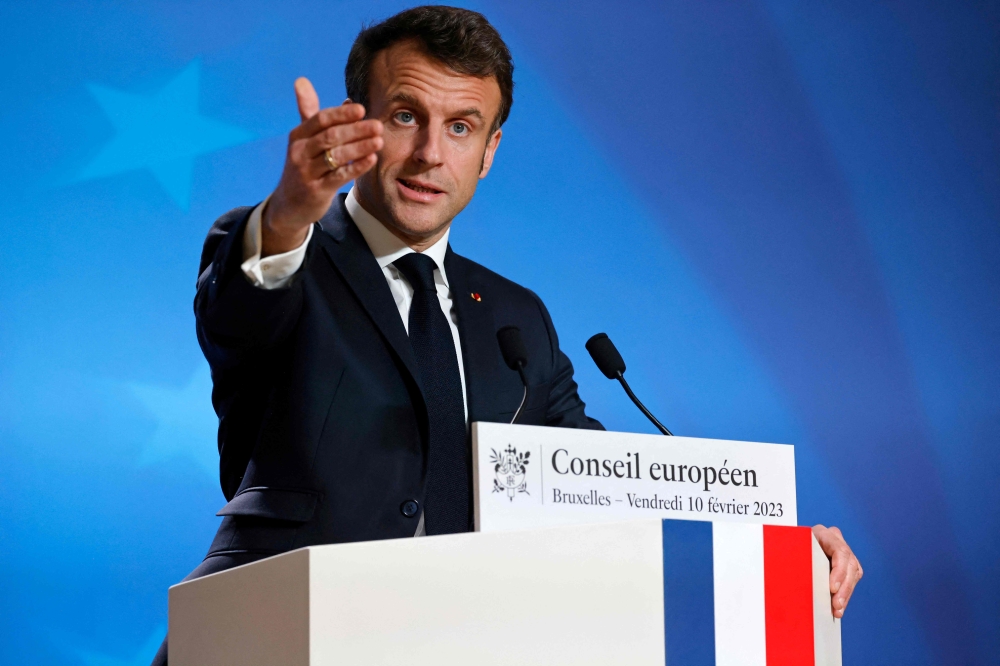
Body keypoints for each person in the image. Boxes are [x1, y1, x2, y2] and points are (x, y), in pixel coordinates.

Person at [152, 6, 861, 664]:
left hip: (456, 638)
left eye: (461, 126)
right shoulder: (283, 252)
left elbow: (598, 483)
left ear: (489, 151)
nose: (431, 153)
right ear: (359, 125)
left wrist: (778, 547)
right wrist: (287, 212)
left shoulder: (514, 315)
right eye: (406, 116)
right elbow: (238, 316)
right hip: (275, 632)